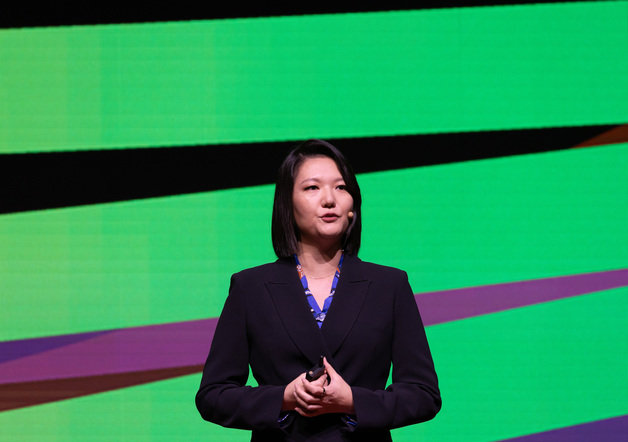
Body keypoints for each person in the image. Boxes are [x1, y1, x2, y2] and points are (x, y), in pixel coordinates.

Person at [196, 139, 441, 441]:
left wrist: (352, 401)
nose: (329, 199)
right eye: (312, 188)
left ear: (353, 205)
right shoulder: (250, 288)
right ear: (288, 203)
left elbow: (423, 394)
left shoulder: (390, 285)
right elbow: (213, 395)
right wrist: (284, 398)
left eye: (341, 187)